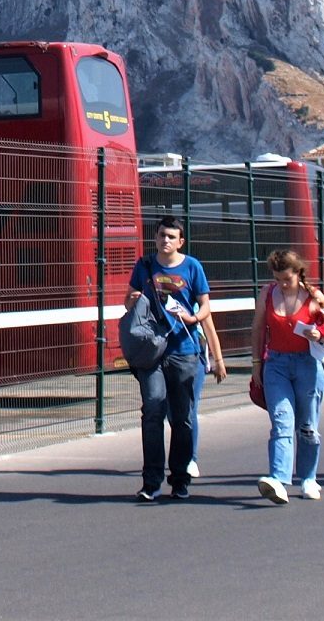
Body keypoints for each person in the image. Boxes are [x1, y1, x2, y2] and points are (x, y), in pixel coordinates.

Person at [126, 215, 211, 501]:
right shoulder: (145, 265)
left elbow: (205, 307)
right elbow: (129, 301)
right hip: (152, 351)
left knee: (182, 418)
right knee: (152, 411)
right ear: (156, 237)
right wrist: (135, 299)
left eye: (172, 237)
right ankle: (151, 481)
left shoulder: (192, 267)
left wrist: (192, 317)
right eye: (162, 235)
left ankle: (180, 478)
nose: (166, 240)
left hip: (183, 351)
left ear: (180, 241)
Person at [250, 248, 324, 504]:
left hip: (307, 364)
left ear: (298, 273)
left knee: (307, 426)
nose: (282, 284)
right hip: (276, 364)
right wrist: (256, 365)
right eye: (277, 279)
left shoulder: (312, 295)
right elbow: (257, 329)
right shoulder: (267, 293)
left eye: (287, 279)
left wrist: (320, 332)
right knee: (281, 421)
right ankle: (278, 479)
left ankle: (308, 477)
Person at [186, 309, 227, 480]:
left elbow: (209, 329)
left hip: (196, 358)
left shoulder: (196, 301)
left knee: (190, 408)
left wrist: (219, 361)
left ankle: (190, 459)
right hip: (167, 357)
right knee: (172, 412)